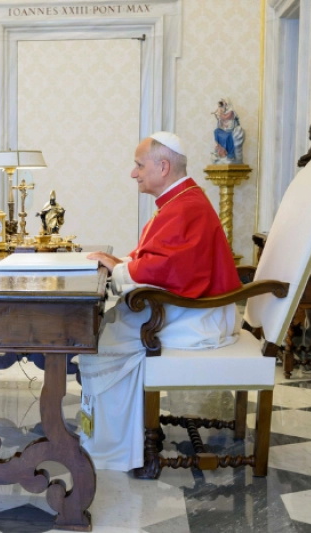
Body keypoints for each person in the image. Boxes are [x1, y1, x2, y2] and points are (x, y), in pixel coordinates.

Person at [82, 132, 242, 472]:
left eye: (139, 165)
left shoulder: (186, 206)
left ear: (163, 166)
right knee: (104, 328)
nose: (133, 173)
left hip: (200, 318)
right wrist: (123, 262)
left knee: (101, 341)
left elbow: (168, 269)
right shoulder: (179, 201)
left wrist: (120, 268)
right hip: (191, 308)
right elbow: (159, 258)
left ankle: (114, 451)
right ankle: (116, 440)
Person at [211, 98, 244, 164]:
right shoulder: (223, 111)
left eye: (224, 103)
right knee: (216, 131)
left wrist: (219, 114)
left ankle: (230, 154)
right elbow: (220, 119)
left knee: (228, 137)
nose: (224, 105)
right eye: (223, 104)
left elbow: (226, 117)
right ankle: (220, 148)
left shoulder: (231, 112)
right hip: (223, 129)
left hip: (230, 130)